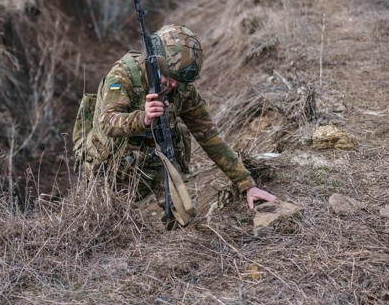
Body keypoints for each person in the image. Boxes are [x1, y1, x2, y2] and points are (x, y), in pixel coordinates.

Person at [82, 24, 275, 211]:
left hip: (152, 161)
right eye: (170, 77)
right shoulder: (123, 75)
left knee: (184, 213)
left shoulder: (183, 89)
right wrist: (144, 119)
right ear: (156, 62)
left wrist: (246, 184)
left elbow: (209, 136)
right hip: (111, 168)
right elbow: (107, 122)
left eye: (180, 80)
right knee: (111, 221)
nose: (174, 85)